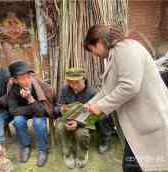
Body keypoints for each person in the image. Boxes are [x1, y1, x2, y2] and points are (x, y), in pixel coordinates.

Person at [84, 24, 168, 172]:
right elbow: (107, 91)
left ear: (97, 43)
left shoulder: (126, 50)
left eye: (91, 50)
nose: (93, 54)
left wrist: (100, 107)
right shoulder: (114, 54)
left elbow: (129, 86)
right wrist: (87, 107)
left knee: (133, 167)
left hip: (147, 120)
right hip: (138, 123)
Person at [55, 68, 113, 169]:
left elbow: (94, 117)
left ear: (84, 79)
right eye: (70, 83)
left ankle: (82, 155)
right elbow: (57, 108)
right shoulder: (65, 90)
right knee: (60, 127)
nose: (73, 86)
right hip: (67, 119)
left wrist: (78, 124)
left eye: (77, 82)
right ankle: (67, 154)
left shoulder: (92, 93)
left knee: (81, 134)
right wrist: (61, 109)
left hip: (84, 121)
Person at [6, 60, 54, 167]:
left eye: (28, 76)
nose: (27, 80)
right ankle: (26, 146)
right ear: (15, 80)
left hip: (39, 112)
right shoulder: (13, 89)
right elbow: (13, 110)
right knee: (18, 121)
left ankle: (43, 149)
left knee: (38, 122)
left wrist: (30, 98)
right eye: (22, 78)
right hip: (30, 110)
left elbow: (41, 112)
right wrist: (31, 108)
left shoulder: (37, 87)